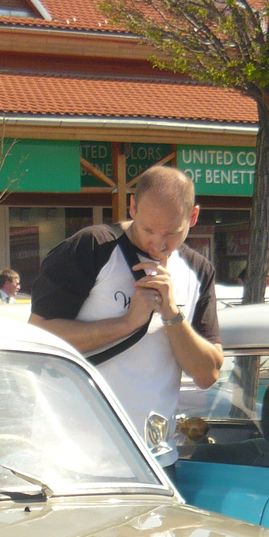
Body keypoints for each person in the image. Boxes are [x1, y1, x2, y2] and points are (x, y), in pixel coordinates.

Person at [30, 165, 223, 436]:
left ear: (193, 217)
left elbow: (207, 374)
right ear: (132, 207)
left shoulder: (198, 270)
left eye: (171, 233)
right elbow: (38, 337)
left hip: (152, 458)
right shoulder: (92, 247)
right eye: (147, 229)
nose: (157, 243)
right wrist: (127, 323)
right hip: (71, 450)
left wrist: (171, 313)